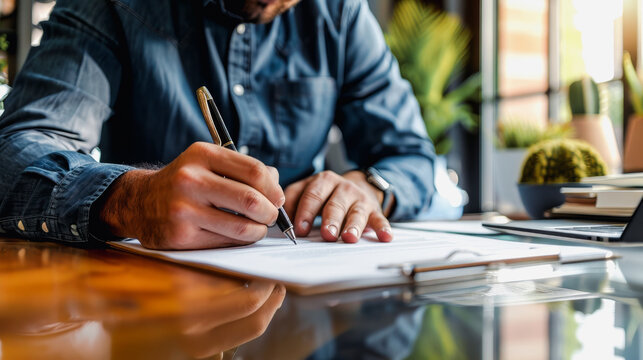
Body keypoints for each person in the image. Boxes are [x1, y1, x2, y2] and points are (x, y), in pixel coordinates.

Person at [0, 0, 436, 250]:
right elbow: (18, 147)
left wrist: (370, 187)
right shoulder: (113, 4)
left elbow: (413, 158)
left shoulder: (339, 14)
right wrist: (129, 200)